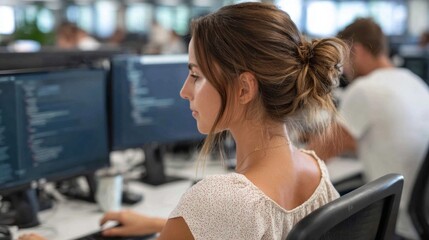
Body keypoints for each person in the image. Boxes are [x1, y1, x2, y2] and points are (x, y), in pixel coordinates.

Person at [19, 2, 347, 239]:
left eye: (195, 75)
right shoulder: (315, 170)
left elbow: (233, 217)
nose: (183, 91)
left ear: (244, 87)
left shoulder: (221, 200)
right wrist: (165, 226)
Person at [307, 18, 429, 240]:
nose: (342, 69)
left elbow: (317, 153)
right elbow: (380, 140)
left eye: (343, 58)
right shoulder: (414, 81)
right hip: (419, 216)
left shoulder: (364, 89)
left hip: (393, 219)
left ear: (358, 50)